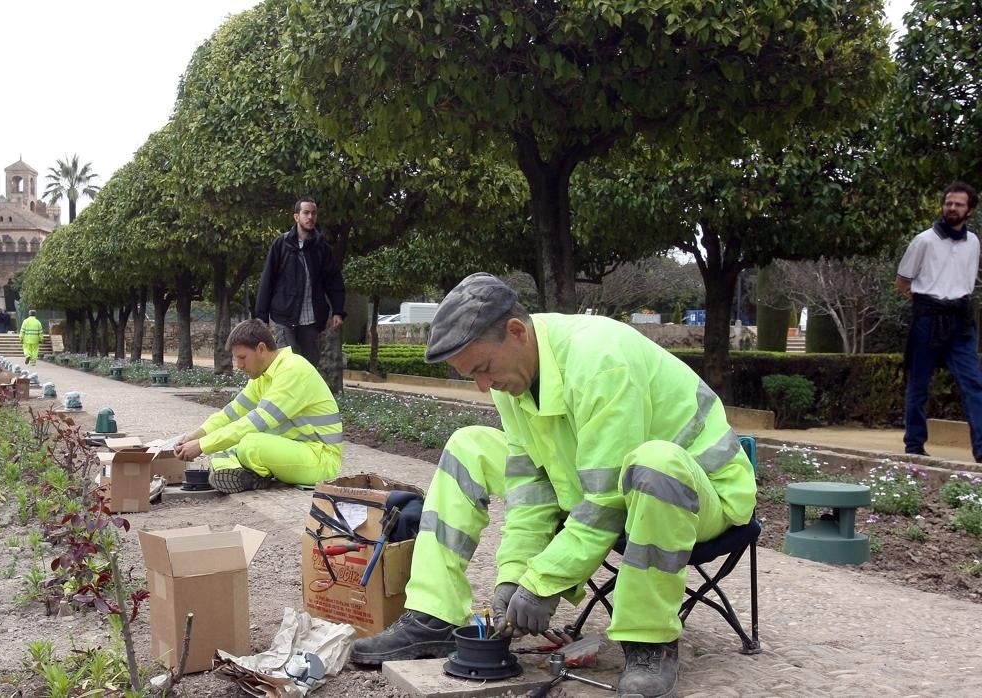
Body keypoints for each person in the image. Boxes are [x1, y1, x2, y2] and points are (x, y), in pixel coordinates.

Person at [351, 273, 757, 698]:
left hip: (699, 492)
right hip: (598, 480)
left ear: (516, 331)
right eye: (472, 375)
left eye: (484, 368)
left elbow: (605, 501)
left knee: (654, 462)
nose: (483, 386)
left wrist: (543, 583)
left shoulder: (601, 359)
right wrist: (513, 578)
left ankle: (650, 641)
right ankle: (433, 616)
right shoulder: (515, 376)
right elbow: (531, 488)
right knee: (467, 445)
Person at [173, 319, 342, 494]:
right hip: (293, 450)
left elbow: (256, 422)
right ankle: (244, 475)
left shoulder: (293, 370)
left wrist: (201, 445)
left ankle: (252, 474)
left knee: (249, 443)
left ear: (261, 349)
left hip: (321, 460)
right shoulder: (263, 375)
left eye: (242, 358)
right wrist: (196, 435)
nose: (239, 365)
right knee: (222, 446)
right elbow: (231, 414)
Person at [896, 181, 982, 461]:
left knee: (973, 384)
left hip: (961, 319)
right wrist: (926, 304)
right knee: (919, 385)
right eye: (948, 203)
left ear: (970, 209)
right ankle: (914, 447)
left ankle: (981, 450)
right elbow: (903, 281)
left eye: (958, 204)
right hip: (929, 318)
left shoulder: (974, 242)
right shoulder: (924, 240)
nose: (952, 208)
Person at [254, 197, 345, 366]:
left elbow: (333, 279)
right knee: (288, 365)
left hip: (311, 320)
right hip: (284, 317)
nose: (310, 217)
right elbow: (267, 280)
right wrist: (261, 317)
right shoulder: (281, 244)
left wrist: (338, 310)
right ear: (297, 217)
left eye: (313, 213)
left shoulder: (322, 247)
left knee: (308, 368)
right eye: (306, 213)